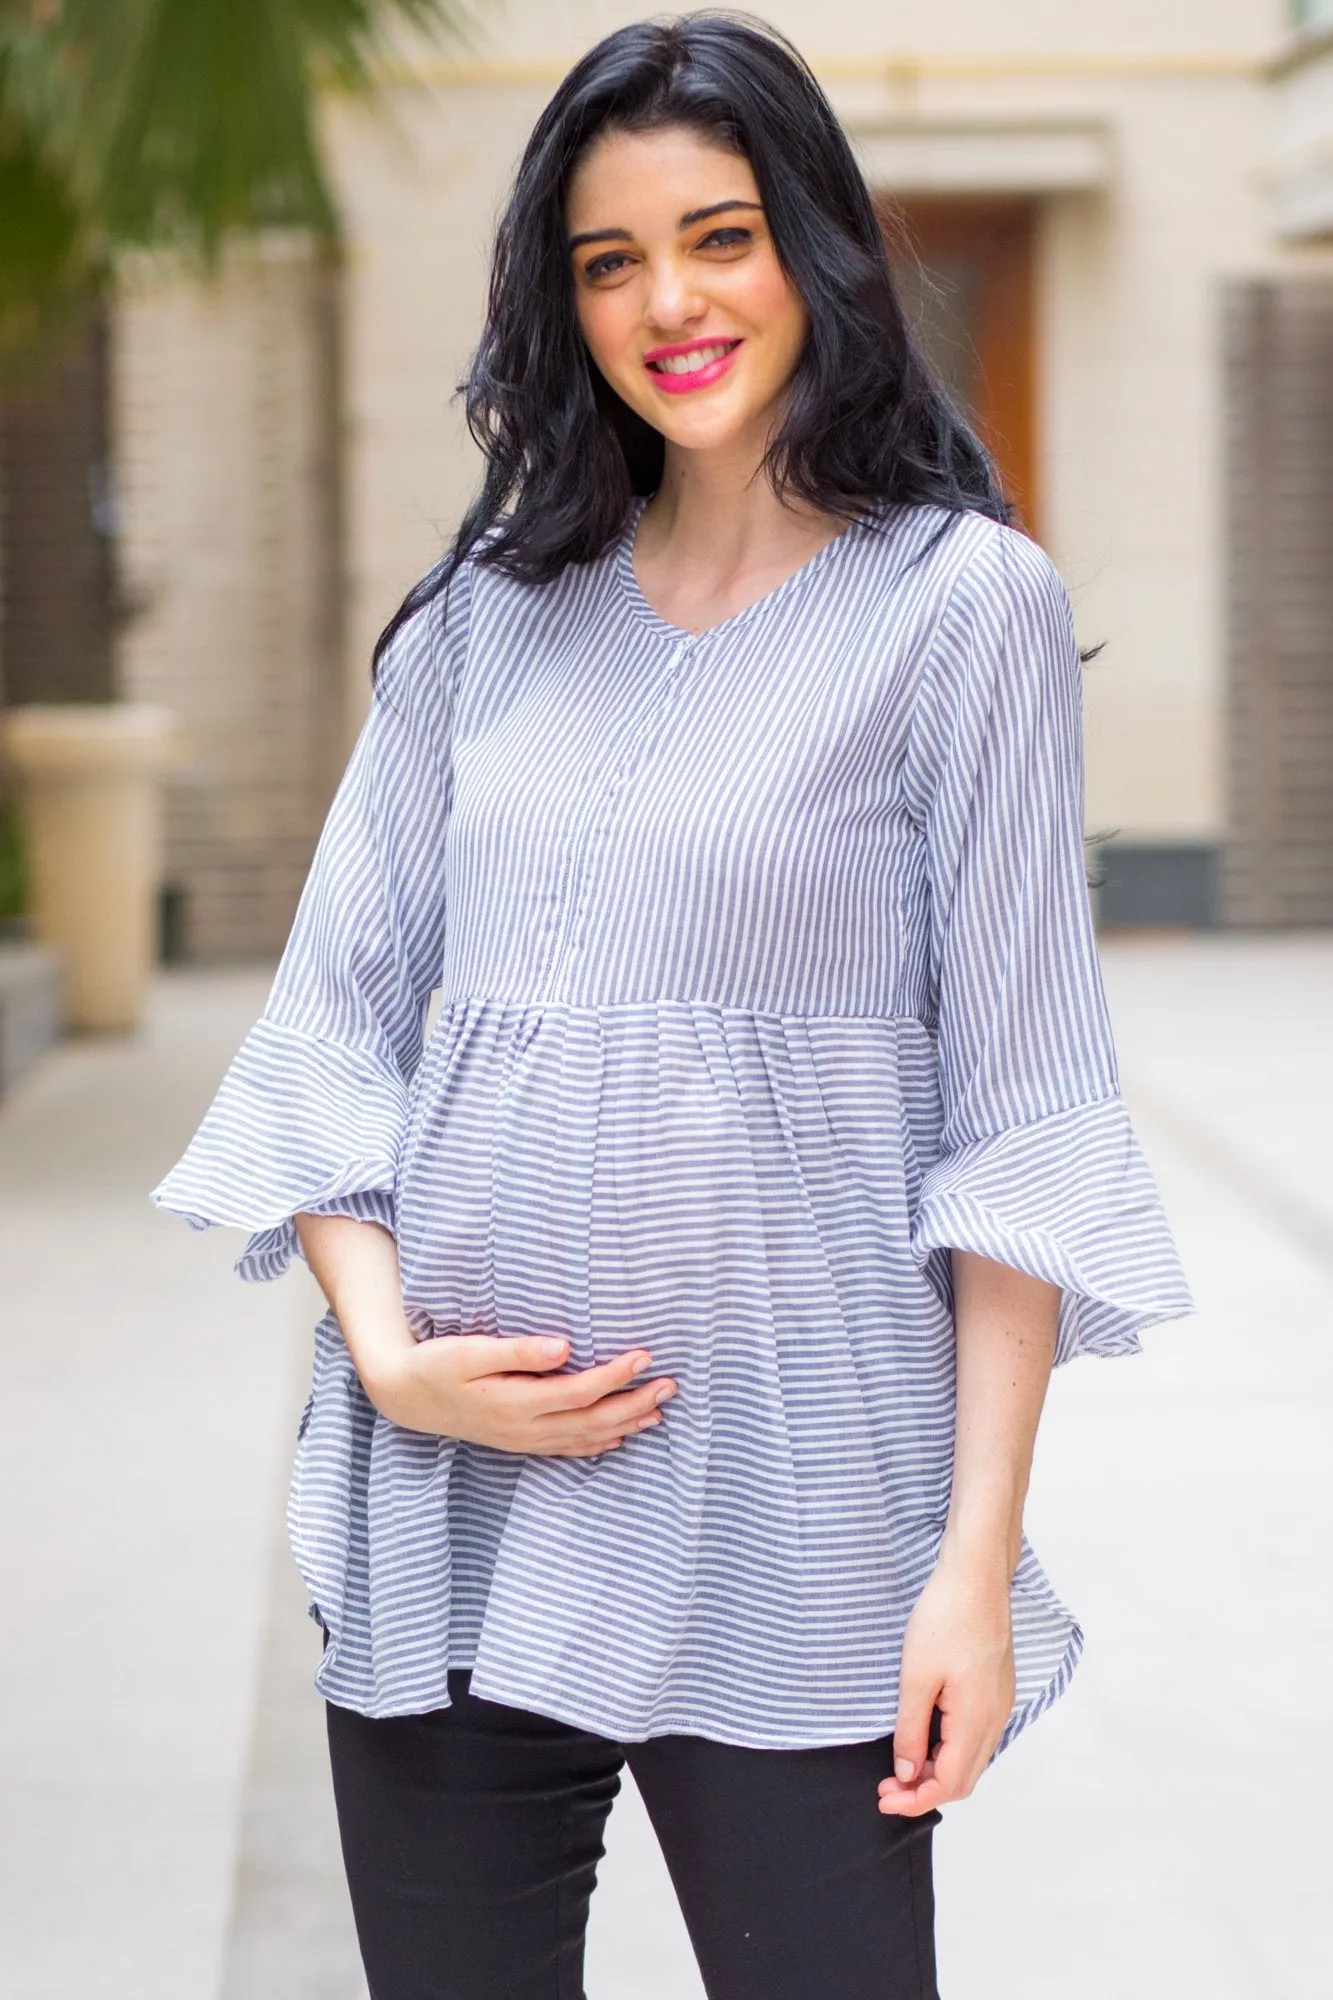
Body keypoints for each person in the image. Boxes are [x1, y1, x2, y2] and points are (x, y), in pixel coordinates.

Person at [154, 14, 1193, 1998]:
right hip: (452, 1519)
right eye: (608, 259)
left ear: (818, 247)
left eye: (717, 236)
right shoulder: (482, 617)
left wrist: (969, 1566)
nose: (669, 301)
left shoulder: (958, 611)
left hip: (801, 1526)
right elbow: (325, 1033)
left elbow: (1026, 1122)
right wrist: (389, 1358)